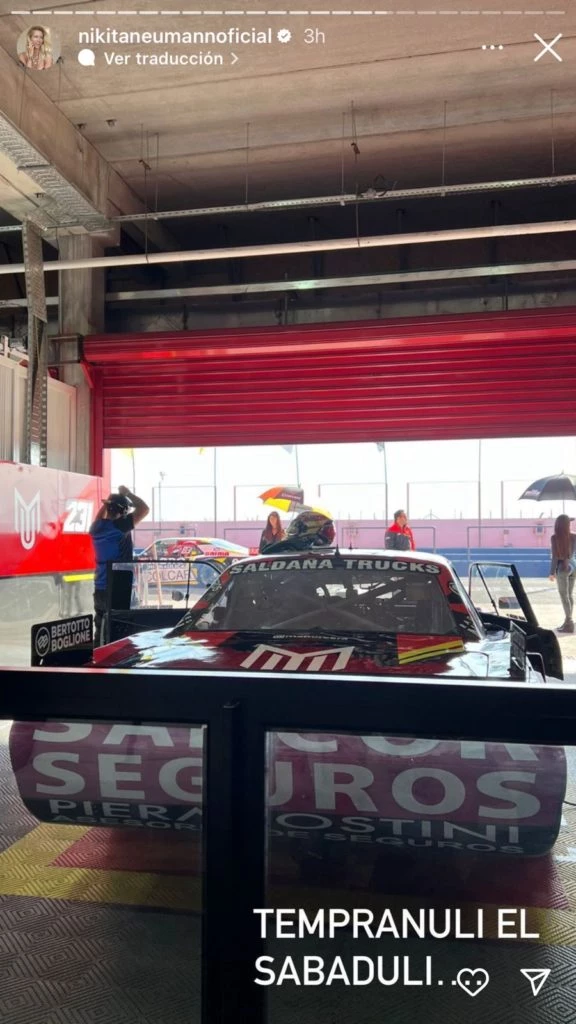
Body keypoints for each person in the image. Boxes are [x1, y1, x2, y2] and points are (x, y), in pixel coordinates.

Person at [89, 485, 149, 644]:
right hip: (119, 587)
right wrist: (127, 493)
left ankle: (98, 655)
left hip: (100, 588)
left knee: (100, 630)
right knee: (122, 632)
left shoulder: (97, 528)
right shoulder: (120, 526)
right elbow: (144, 509)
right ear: (123, 512)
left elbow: (99, 517)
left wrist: (107, 503)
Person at [549, 513, 576, 634]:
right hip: (573, 566)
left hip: (563, 568)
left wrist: (551, 572)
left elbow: (555, 557)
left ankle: (569, 623)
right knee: (569, 595)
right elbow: (572, 553)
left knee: (564, 596)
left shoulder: (554, 538)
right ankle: (567, 621)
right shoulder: (574, 536)